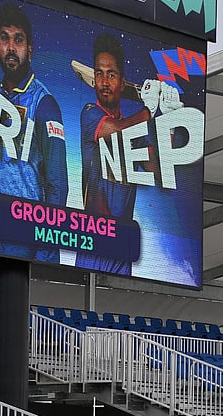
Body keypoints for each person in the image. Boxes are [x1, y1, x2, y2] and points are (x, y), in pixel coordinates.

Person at [76, 33, 181, 274]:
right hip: (92, 239)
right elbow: (117, 130)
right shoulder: (90, 113)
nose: (103, 81)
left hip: (122, 244)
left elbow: (159, 168)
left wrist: (169, 121)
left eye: (111, 75)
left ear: (122, 84)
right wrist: (149, 110)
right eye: (99, 73)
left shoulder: (135, 134)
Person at [0, 2, 68, 262]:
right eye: (5, 39)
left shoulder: (44, 103)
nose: (11, 48)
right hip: (3, 233)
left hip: (35, 239)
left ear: (30, 49)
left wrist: (47, 246)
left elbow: (58, 183)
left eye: (19, 40)